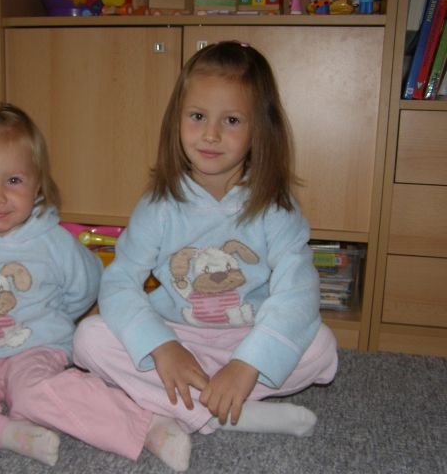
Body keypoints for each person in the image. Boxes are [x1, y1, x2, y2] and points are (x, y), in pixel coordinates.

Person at [73, 41, 339, 471]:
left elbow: (298, 291)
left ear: (259, 129)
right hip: (178, 337)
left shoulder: (276, 209)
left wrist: (249, 363)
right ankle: (227, 413)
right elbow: (119, 282)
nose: (211, 134)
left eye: (231, 120)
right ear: (177, 120)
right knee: (88, 339)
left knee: (321, 347)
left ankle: (189, 406)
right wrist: (161, 346)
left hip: (246, 337)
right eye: (198, 116)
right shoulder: (158, 206)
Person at [0, 102, 186, 469]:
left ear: (38, 184)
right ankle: (2, 431)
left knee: (40, 392)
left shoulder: (53, 241)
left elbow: (85, 286)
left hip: (33, 351)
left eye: (14, 181)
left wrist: (54, 320)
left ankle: (147, 427)